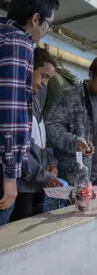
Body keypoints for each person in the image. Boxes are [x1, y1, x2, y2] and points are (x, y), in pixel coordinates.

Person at [0, 0, 59, 225]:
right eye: (49, 24)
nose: (47, 30)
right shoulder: (18, 42)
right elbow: (9, 111)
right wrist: (10, 175)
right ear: (35, 19)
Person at [47, 54, 97, 187]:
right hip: (74, 176)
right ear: (90, 74)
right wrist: (74, 142)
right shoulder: (70, 96)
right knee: (76, 208)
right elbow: (51, 126)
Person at [10, 48, 62, 221]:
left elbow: (39, 140)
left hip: (36, 183)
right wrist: (44, 176)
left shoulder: (35, 101)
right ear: (28, 67)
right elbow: (21, 150)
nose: (45, 83)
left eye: (48, 78)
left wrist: (50, 163)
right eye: (43, 76)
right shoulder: (16, 102)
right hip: (21, 185)